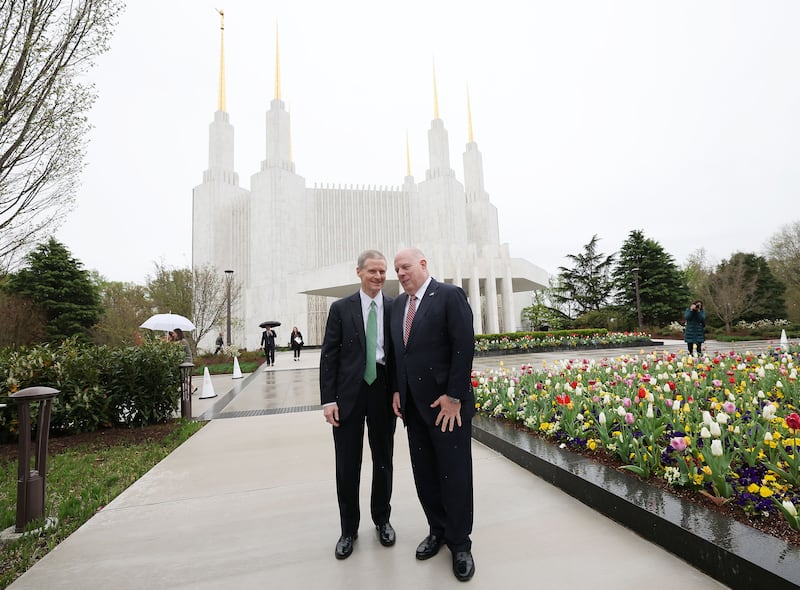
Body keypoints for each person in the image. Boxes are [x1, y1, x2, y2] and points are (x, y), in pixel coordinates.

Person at [389, 247, 476, 582]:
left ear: (423, 264)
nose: (400, 273)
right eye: (397, 269)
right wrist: (398, 390)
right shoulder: (398, 305)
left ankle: (460, 543)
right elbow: (401, 354)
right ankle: (437, 530)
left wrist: (454, 396)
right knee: (425, 476)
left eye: (405, 266)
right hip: (414, 408)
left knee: (454, 476)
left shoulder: (449, 296)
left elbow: (463, 345)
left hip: (447, 409)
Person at [320, 250, 397, 560]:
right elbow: (329, 356)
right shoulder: (341, 309)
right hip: (348, 395)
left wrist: (398, 392)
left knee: (383, 459)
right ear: (359, 272)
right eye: (372, 271)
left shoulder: (395, 307)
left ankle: (382, 520)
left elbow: (399, 356)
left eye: (382, 272)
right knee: (347, 464)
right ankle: (348, 529)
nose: (378, 277)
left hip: (382, 389)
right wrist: (328, 400)